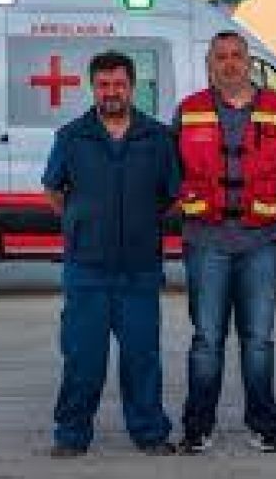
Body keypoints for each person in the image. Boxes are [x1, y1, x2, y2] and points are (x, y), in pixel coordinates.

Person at [42, 51, 180, 457]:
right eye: (104, 85)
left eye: (119, 84)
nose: (112, 92)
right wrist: (82, 221)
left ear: (132, 87)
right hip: (87, 269)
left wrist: (141, 223)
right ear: (93, 87)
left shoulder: (156, 138)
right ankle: (71, 435)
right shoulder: (71, 137)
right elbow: (53, 190)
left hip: (139, 269)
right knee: (84, 359)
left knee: (142, 357)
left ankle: (150, 433)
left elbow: (171, 197)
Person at [174, 31, 276, 454]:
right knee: (207, 339)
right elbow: (173, 169)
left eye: (237, 56)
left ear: (250, 63)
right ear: (210, 64)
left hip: (262, 241)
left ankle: (263, 426)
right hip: (206, 240)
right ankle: (198, 426)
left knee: (259, 339)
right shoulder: (188, 112)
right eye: (221, 57)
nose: (230, 64)